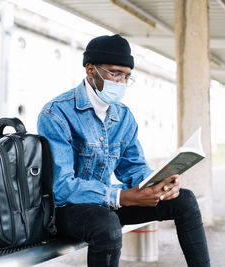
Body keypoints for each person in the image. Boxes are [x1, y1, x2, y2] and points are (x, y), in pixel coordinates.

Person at [37, 34, 210, 267]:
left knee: (185, 200)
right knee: (106, 225)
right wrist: (121, 196)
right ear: (91, 70)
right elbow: (62, 187)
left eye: (126, 76)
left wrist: (156, 183)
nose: (120, 82)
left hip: (106, 204)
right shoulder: (56, 113)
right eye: (115, 73)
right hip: (64, 210)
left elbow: (134, 167)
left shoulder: (123, 116)